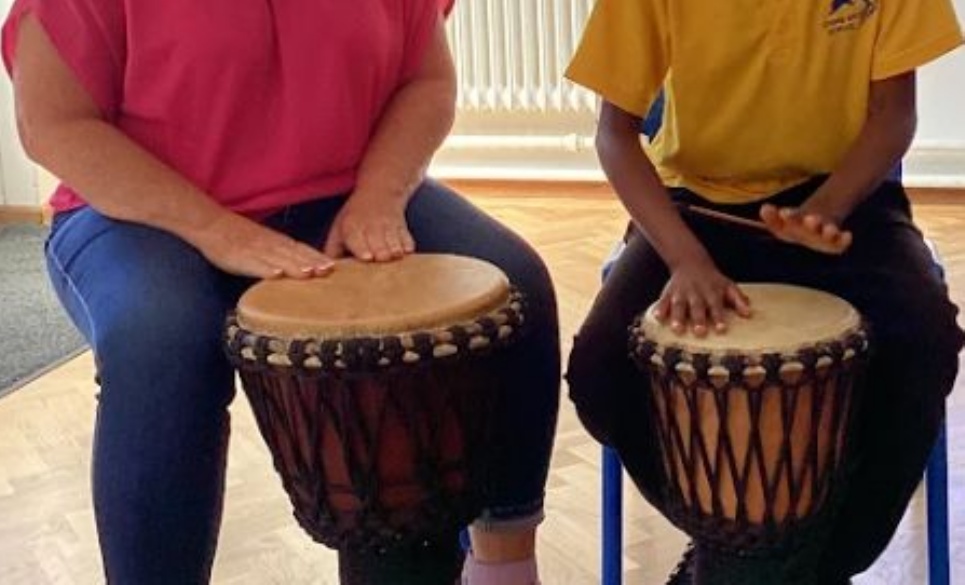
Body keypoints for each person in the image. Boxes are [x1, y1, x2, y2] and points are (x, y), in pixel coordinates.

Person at [1, 0, 559, 583]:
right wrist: (218, 230)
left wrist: (381, 194)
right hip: (136, 211)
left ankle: (502, 567)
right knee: (162, 342)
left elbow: (426, 81)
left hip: (344, 193)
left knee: (513, 285)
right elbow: (53, 122)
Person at [564, 0, 964, 583]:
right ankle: (728, 545)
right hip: (695, 209)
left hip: (844, 199)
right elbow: (614, 136)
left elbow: (893, 114)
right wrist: (685, 258)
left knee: (923, 344)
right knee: (602, 370)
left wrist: (827, 207)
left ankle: (806, 565)